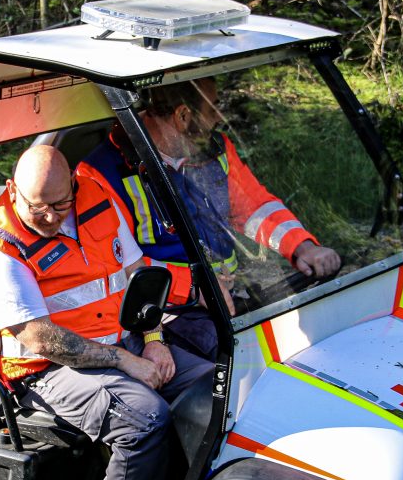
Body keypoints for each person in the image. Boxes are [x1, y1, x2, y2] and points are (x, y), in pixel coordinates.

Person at [0, 145, 212, 480]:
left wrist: (154, 341)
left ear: (73, 185)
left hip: (125, 340)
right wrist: (127, 360)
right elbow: (39, 338)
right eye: (38, 208)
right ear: (11, 189)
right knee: (144, 417)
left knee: (213, 388)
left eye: (61, 204)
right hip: (45, 370)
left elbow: (139, 276)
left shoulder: (96, 195)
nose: (52, 217)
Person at [77, 78, 341, 358]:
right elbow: (117, 265)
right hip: (165, 315)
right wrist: (193, 288)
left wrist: (303, 246)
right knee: (252, 357)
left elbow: (254, 208)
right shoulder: (100, 174)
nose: (219, 117)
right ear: (182, 115)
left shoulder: (214, 148)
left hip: (227, 297)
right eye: (213, 108)